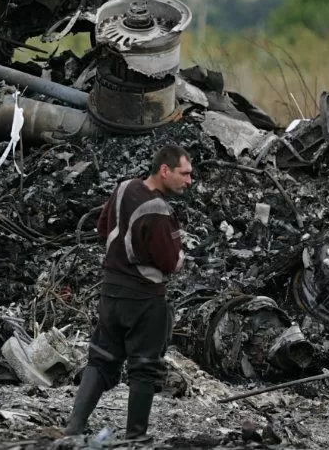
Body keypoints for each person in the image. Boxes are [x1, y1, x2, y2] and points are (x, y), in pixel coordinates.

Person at [63, 145, 193, 440]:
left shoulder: (123, 188)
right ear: (164, 170)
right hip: (145, 299)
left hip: (110, 292)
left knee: (101, 357)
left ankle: (74, 425)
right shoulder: (160, 211)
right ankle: (135, 436)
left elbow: (101, 229)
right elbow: (171, 263)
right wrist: (180, 255)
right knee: (144, 367)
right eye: (184, 174)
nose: (189, 181)